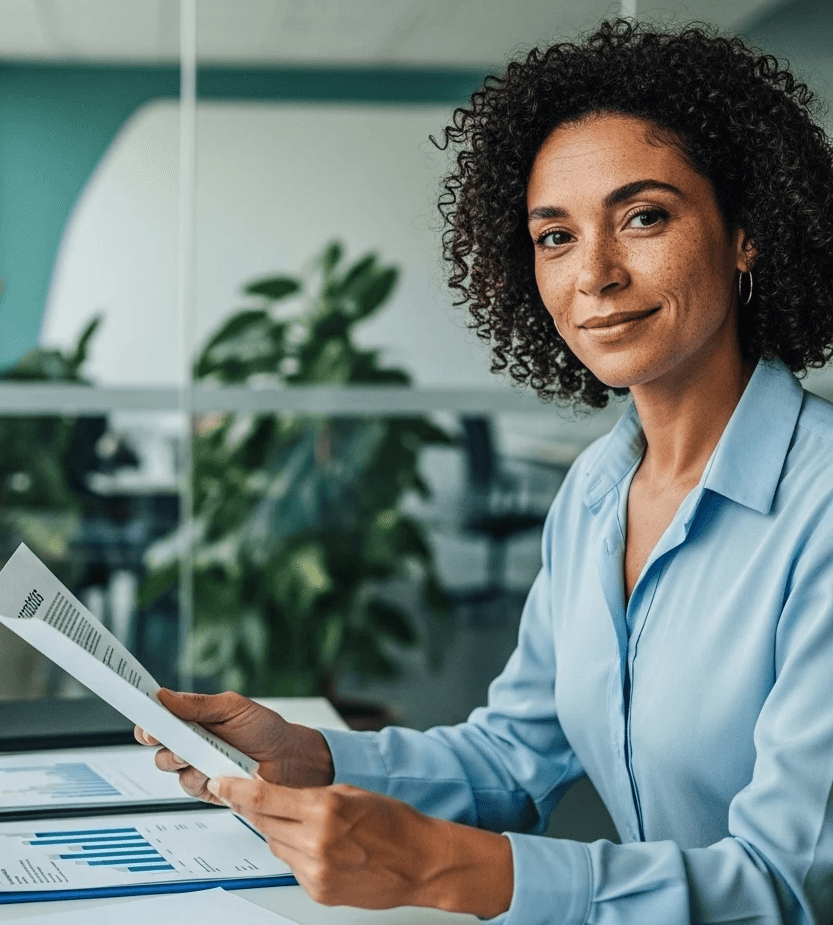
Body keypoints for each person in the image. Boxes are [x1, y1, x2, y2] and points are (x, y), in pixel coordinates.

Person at [136, 20, 833, 923]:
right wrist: (311, 754)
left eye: (643, 217)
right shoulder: (593, 495)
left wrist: (449, 869)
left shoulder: (819, 506)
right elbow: (513, 758)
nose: (596, 274)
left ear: (746, 233)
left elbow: (789, 885)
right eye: (555, 236)